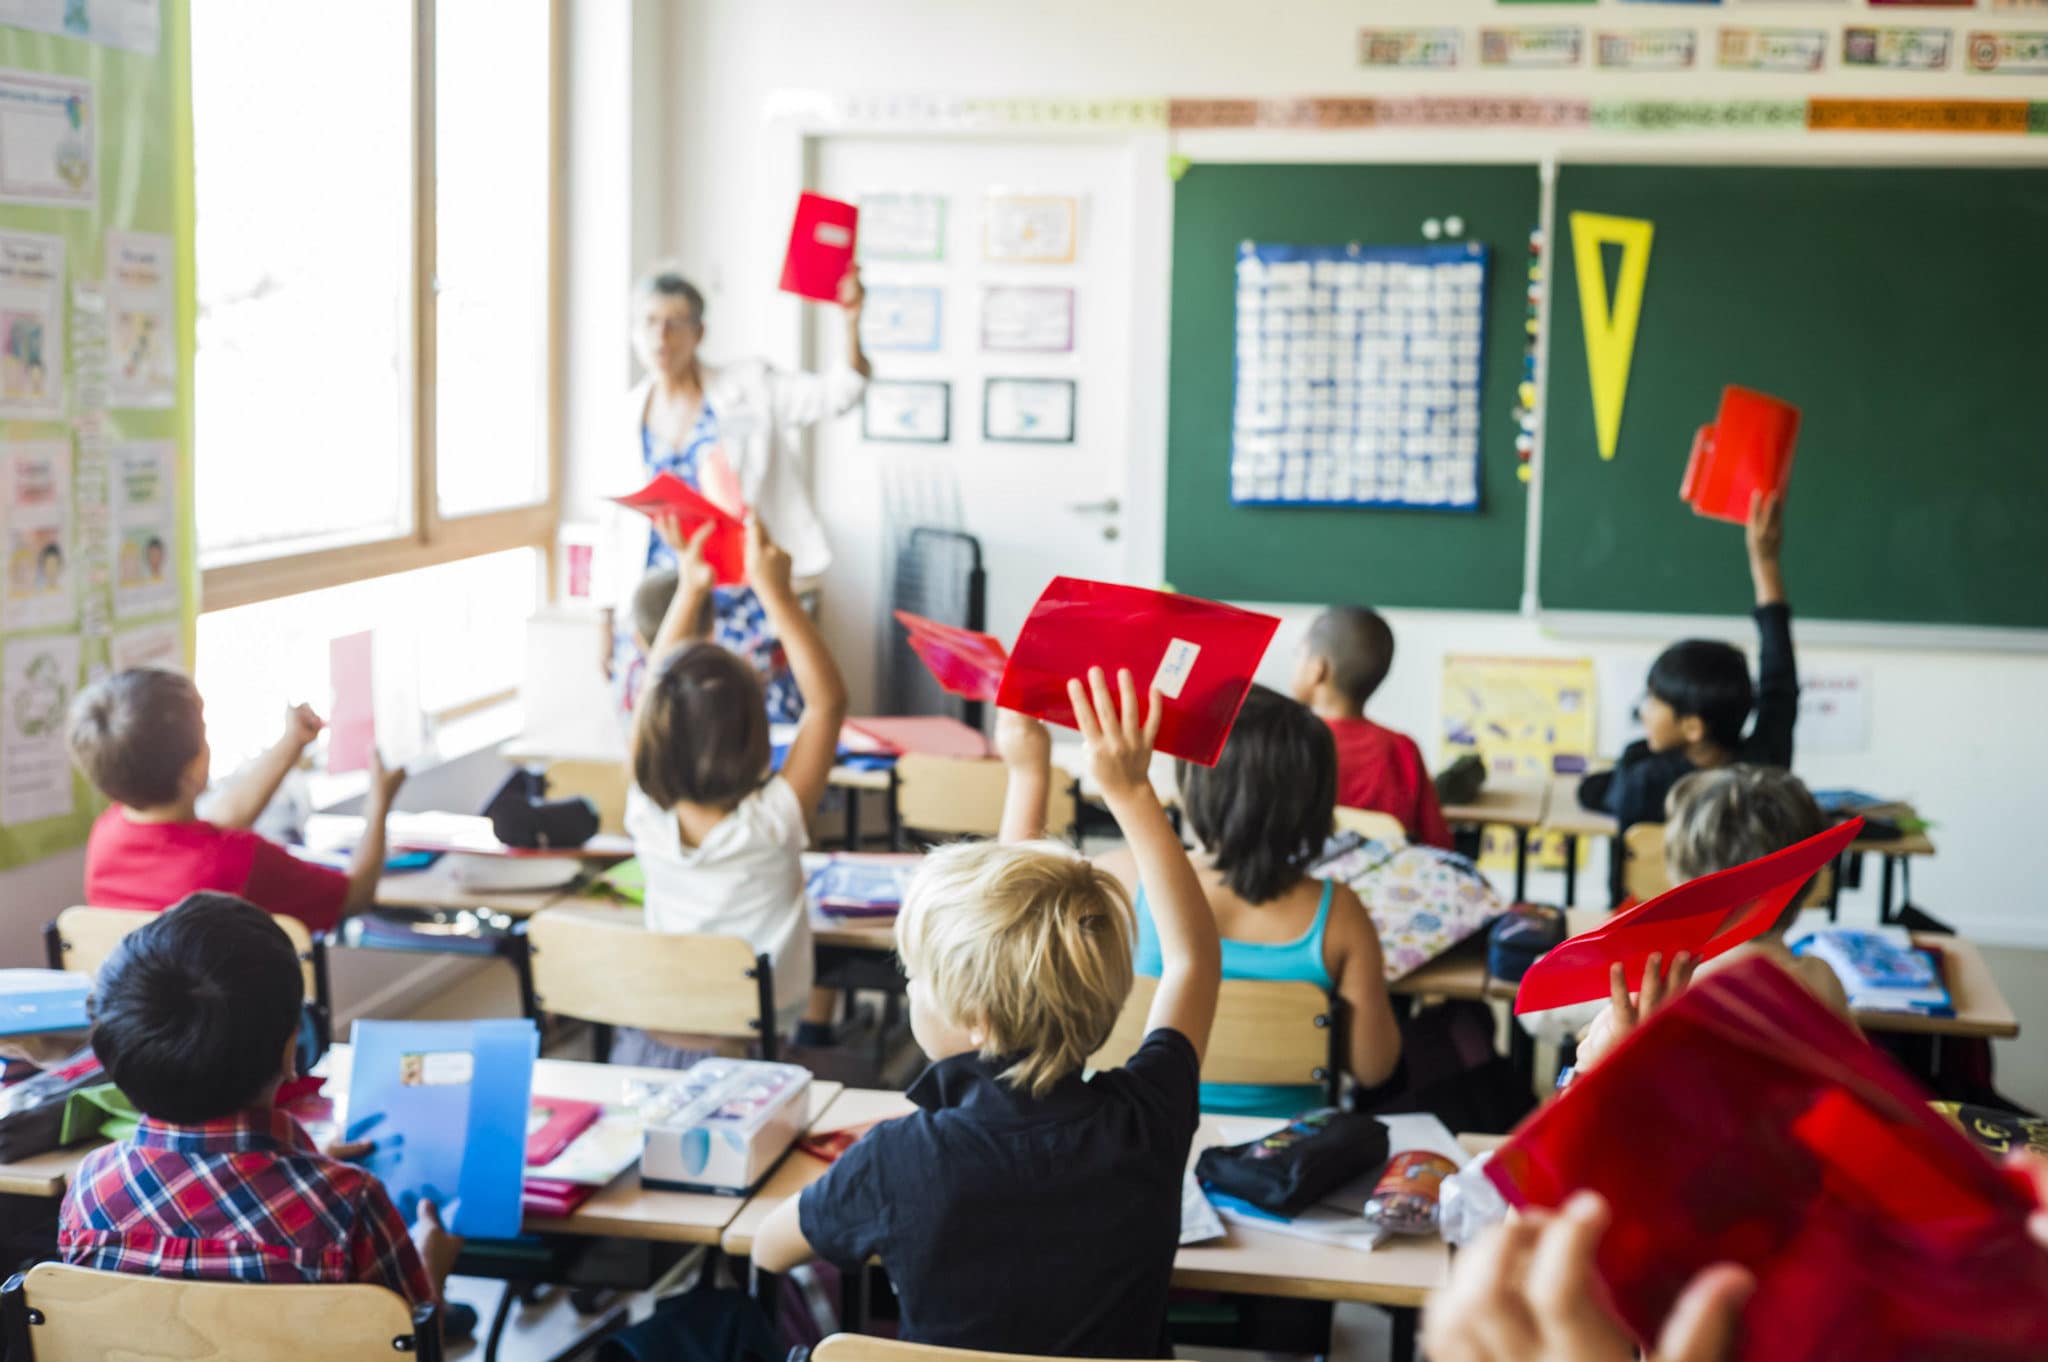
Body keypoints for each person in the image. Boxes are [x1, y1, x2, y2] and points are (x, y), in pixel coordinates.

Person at [751, 670, 1221, 1357]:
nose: (911, 989)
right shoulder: (1147, 1120)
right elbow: (1193, 961)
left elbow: (768, 1250)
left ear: (975, 1017)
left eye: (917, 977)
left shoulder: (896, 1161)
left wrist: (1030, 772)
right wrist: (1129, 791)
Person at [1006, 685, 1400, 1116]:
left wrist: (1027, 772)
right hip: (1276, 1155)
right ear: (1316, 798)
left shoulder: (1118, 878)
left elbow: (1011, 936)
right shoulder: (1340, 912)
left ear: (1197, 786)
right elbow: (1373, 1066)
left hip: (1133, 1136)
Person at [59, 894, 461, 1309]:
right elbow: (408, 1344)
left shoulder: (90, 1189)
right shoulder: (349, 1205)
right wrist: (433, 1265)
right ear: (292, 1049)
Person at [619, 514, 847, 1066]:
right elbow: (827, 704)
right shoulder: (773, 822)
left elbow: (655, 687)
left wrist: (692, 583)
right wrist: (777, 593)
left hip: (650, 1046)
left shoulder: (646, 811)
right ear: (756, 739)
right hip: (755, 1057)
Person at [598, 265, 870, 723]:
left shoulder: (749, 387)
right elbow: (609, 529)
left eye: (675, 323)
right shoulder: (625, 413)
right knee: (664, 729)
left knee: (755, 723)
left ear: (699, 332)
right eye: (648, 322)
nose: (661, 336)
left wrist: (851, 322)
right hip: (659, 604)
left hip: (742, 599)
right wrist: (603, 619)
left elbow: (840, 393)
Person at [1578, 492, 1795, 899]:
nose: (1643, 712)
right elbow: (1779, 679)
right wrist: (1765, 563)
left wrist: (1607, 776)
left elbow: (1593, 793)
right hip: (1742, 938)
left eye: (1653, 701)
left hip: (1650, 945)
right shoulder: (1767, 769)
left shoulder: (1643, 777)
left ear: (1693, 726)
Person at [69, 668, 403, 931]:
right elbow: (355, 896)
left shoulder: (107, 835)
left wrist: (292, 743)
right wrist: (379, 802)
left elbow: (215, 826)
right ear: (194, 769)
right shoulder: (241, 863)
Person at [1574, 765, 1848, 1073]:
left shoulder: (1662, 990)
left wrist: (1583, 1066)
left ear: (1682, 877)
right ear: (1809, 880)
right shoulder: (1823, 982)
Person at [1291, 605, 1451, 848]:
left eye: (1298, 654)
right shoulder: (1402, 749)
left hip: (1304, 884)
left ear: (1317, 670)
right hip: (1385, 884)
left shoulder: (1286, 742)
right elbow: (1437, 844)